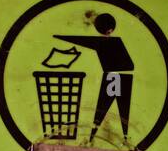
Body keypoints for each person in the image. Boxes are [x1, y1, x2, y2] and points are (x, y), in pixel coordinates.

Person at [53, 13, 134, 144]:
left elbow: (88, 41)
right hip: (118, 77)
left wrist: (60, 37)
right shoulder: (111, 42)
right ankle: (97, 137)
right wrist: (60, 37)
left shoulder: (111, 42)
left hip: (117, 77)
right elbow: (87, 41)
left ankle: (118, 137)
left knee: (113, 110)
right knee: (107, 110)